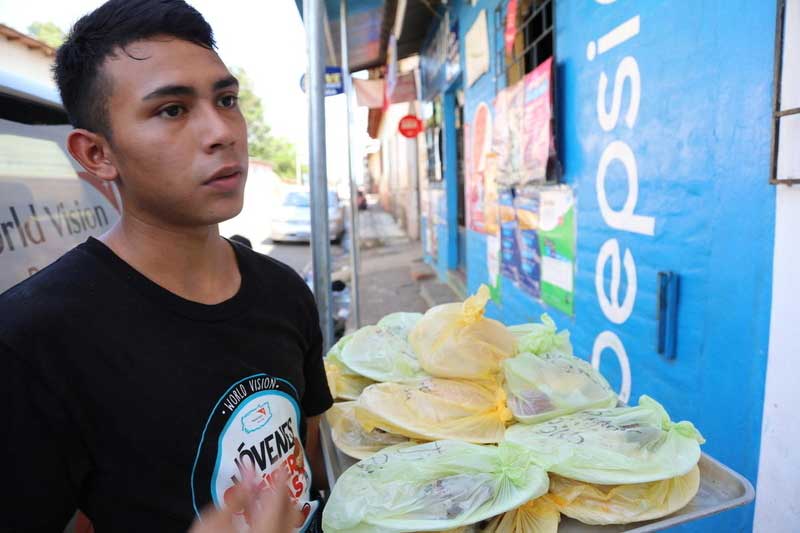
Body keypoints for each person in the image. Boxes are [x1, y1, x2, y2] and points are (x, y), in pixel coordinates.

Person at [0, 1, 333, 532]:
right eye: (172, 110)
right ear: (96, 155)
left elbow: (306, 456)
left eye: (226, 99)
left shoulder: (283, 290)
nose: (222, 131)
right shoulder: (33, 339)